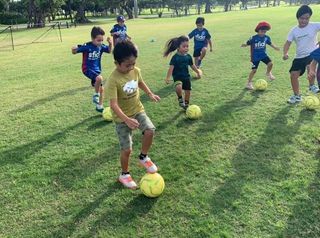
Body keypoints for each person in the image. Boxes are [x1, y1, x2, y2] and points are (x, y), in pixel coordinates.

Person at [106, 41, 160, 190]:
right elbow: (113, 105)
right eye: (127, 65)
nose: (131, 67)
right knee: (127, 150)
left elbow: (140, 82)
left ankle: (143, 157)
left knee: (150, 130)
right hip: (121, 118)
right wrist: (126, 120)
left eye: (133, 63)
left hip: (137, 110)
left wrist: (150, 93)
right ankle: (124, 174)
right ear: (117, 63)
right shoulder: (113, 79)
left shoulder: (135, 71)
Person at [283, 5, 320, 104]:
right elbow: (287, 43)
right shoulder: (294, 30)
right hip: (299, 56)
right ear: (298, 17)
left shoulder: (314, 25)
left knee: (310, 67)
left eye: (307, 18)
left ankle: (312, 85)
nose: (304, 21)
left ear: (309, 18)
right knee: (293, 75)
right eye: (302, 18)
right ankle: (297, 96)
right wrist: (285, 53)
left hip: (312, 54)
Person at [72, 26, 112, 112]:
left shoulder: (101, 46)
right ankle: (95, 95)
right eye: (98, 40)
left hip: (96, 70)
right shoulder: (87, 46)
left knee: (102, 89)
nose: (100, 42)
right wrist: (73, 49)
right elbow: (75, 51)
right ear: (92, 39)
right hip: (87, 69)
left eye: (102, 40)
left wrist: (110, 43)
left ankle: (99, 106)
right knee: (99, 78)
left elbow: (109, 51)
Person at [164, 36, 202, 110]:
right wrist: (167, 78)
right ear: (178, 47)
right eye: (184, 46)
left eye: (187, 46)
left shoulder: (188, 57)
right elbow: (171, 68)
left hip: (186, 77)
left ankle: (186, 105)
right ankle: (180, 99)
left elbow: (192, 65)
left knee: (188, 91)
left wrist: (198, 71)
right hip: (177, 77)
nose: (186, 48)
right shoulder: (175, 57)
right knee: (179, 87)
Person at [241, 21, 280, 90]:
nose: (263, 33)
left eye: (265, 32)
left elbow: (270, 43)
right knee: (254, 70)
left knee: (270, 64)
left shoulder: (266, 37)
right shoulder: (253, 38)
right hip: (255, 57)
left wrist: (275, 47)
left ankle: (268, 73)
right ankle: (248, 83)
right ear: (258, 30)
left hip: (263, 55)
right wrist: (244, 44)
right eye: (261, 31)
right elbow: (247, 43)